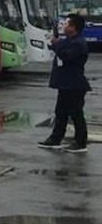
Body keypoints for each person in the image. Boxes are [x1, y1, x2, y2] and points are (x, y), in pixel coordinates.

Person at [37, 14, 91, 153]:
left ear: (74, 27)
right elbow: (60, 48)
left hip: (74, 84)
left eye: (66, 24)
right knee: (61, 112)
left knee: (76, 113)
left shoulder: (78, 43)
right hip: (65, 84)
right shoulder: (69, 40)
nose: (64, 26)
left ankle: (80, 143)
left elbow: (66, 55)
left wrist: (56, 44)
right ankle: (55, 139)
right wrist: (54, 43)